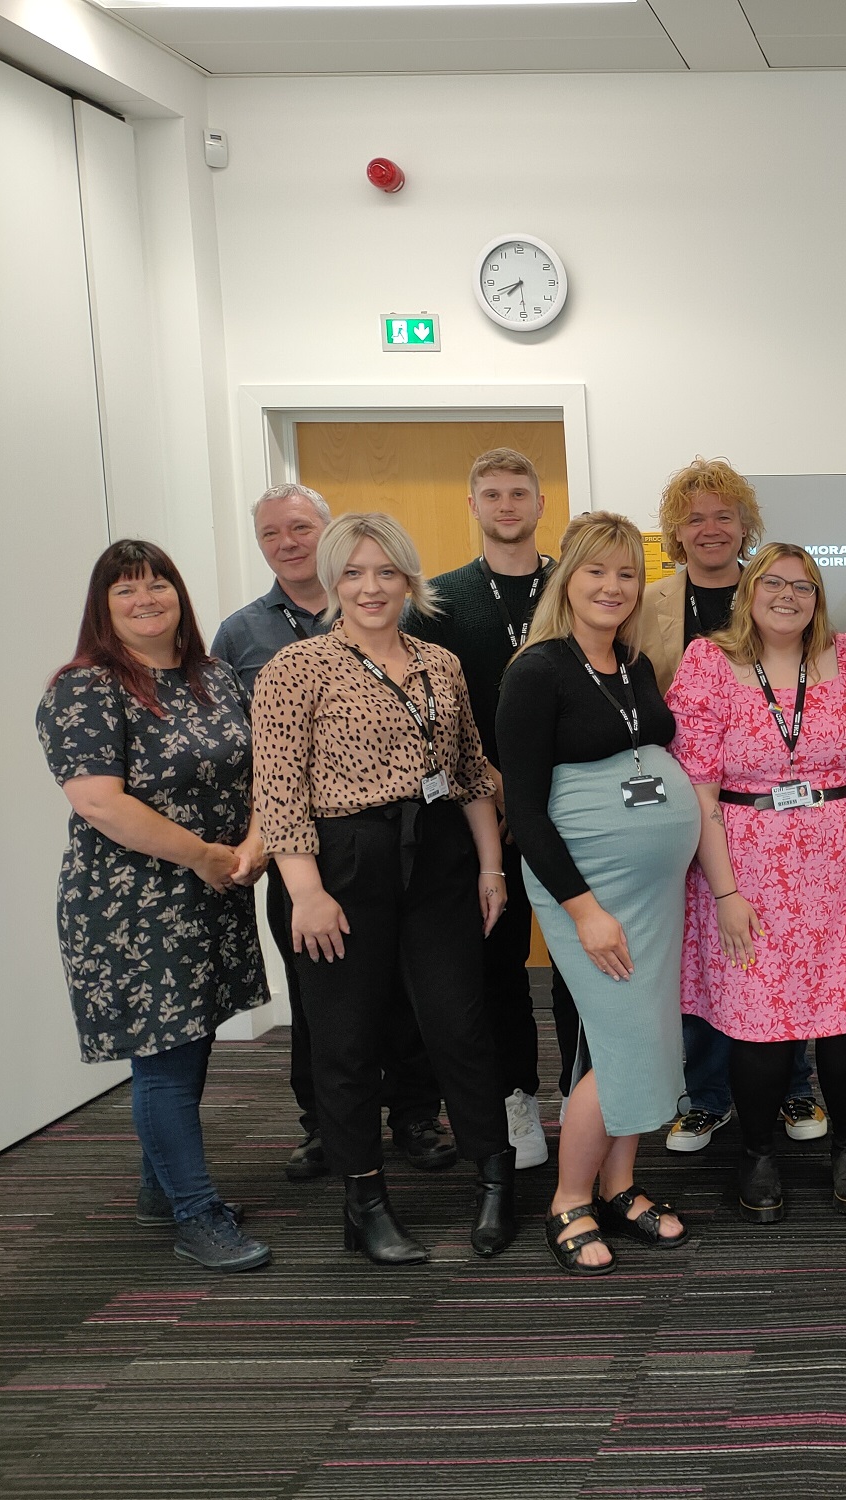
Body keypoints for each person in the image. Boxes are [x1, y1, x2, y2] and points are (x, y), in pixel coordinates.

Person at [252, 512, 517, 1265]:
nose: (371, 588)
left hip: (438, 855)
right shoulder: (295, 669)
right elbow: (278, 792)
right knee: (346, 1037)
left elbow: (469, 774)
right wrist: (304, 890)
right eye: (354, 573)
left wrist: (491, 867)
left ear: (410, 579)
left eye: (386, 572)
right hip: (343, 863)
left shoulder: (441, 664)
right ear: (333, 583)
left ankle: (495, 1178)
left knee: (459, 1024)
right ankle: (362, 1201)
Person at [36, 541, 273, 1273]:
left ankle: (158, 1185)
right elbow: (100, 803)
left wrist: (255, 844)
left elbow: (267, 765)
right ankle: (197, 1214)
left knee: (191, 1041)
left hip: (213, 892)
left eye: (157, 582)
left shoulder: (215, 674)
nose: (146, 598)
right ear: (101, 608)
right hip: (131, 904)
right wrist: (207, 855)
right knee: (165, 1059)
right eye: (125, 590)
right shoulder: (86, 688)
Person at [212, 483, 449, 1184]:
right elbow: (256, 759)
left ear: (330, 532)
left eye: (299, 527)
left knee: (407, 996)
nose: (287, 542)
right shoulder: (242, 633)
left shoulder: (399, 621)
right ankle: (325, 1129)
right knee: (322, 1006)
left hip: (393, 846)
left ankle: (413, 1115)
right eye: (270, 534)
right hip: (300, 855)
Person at [669, 544, 846, 1222]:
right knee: (757, 1020)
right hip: (745, 867)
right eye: (772, 583)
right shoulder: (708, 664)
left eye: (803, 586)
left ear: (818, 598)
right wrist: (723, 892)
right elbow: (698, 788)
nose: (787, 596)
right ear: (748, 592)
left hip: (843, 867)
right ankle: (756, 1151)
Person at [497, 513, 696, 1273]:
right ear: (567, 580)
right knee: (617, 1047)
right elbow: (525, 809)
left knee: (646, 1034)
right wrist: (583, 910)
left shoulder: (635, 663)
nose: (612, 588)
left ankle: (621, 1183)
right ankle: (568, 1200)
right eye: (596, 573)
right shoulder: (536, 671)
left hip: (652, 893)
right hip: (589, 892)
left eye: (625, 574)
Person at [633, 457, 824, 1153]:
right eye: (696, 517)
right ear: (675, 533)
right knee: (704, 956)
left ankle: (794, 1087)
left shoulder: (776, 590)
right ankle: (708, 1096)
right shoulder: (649, 603)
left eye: (724, 515)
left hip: (772, 818)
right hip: (678, 809)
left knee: (780, 952)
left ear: (746, 525)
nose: (711, 529)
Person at [407, 448, 563, 1172]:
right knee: (498, 965)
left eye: (519, 492)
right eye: (492, 494)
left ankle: (595, 1091)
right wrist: (495, 781)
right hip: (486, 815)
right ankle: (516, 1099)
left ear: (539, 502)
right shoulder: (435, 604)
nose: (507, 505)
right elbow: (434, 716)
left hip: (575, 810)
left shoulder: (577, 583)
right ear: (473, 506)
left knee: (581, 962)